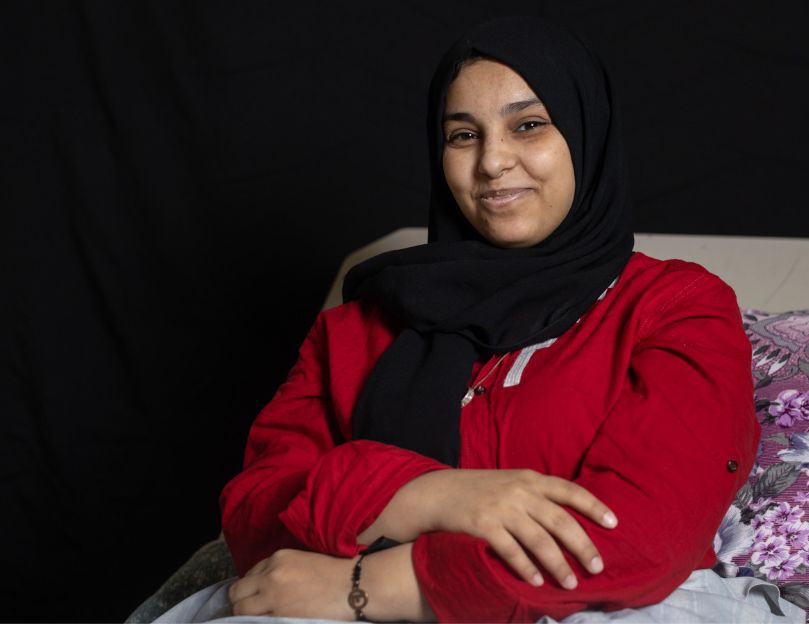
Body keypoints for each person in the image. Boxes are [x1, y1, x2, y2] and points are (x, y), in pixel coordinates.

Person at [214, 16, 758, 623]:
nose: (493, 162)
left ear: (587, 135)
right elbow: (254, 516)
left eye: (528, 126)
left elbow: (638, 538)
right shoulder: (357, 327)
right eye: (463, 135)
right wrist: (424, 495)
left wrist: (370, 584)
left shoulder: (673, 306)